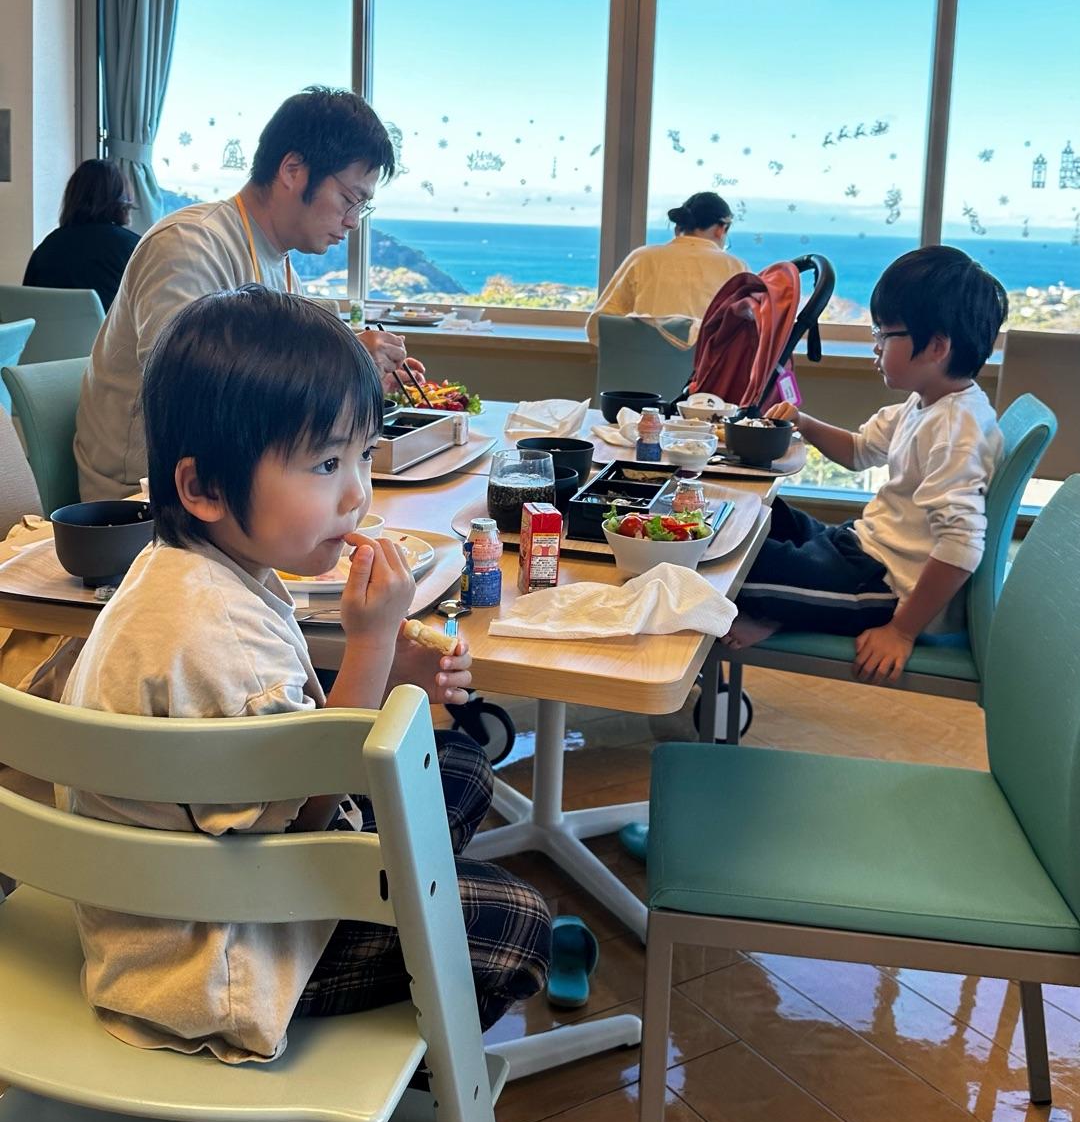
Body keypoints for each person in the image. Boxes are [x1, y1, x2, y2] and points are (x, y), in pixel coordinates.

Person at [59, 286, 551, 1061]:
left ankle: (409, 886)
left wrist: (391, 672)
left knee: (458, 766)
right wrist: (372, 648)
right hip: (217, 953)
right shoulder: (215, 635)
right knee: (519, 922)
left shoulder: (185, 570)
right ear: (203, 487)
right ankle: (401, 1077)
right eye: (325, 463)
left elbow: (283, 754)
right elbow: (308, 811)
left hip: (217, 879)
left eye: (362, 455)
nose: (357, 492)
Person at [75, 86, 419, 501]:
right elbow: (190, 398)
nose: (352, 221)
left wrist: (353, 387)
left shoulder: (282, 267)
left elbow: (281, 402)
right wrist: (342, 365)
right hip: (150, 498)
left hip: (236, 487)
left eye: (361, 207)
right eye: (349, 199)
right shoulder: (190, 245)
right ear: (292, 170)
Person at [727, 246, 1008, 683]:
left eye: (884, 333)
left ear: (936, 346)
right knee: (754, 514)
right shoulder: (928, 404)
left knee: (726, 570)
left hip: (883, 588)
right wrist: (804, 422)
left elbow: (961, 545)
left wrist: (901, 631)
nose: (875, 346)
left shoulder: (958, 430)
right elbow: (859, 451)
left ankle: (785, 609)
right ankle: (787, 607)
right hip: (859, 548)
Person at [586, 191, 746, 344]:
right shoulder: (735, 268)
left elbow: (597, 327)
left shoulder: (641, 258)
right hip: (706, 363)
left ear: (678, 228)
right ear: (721, 229)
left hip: (640, 362)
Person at [23, 159, 139, 313]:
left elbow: (27, 308)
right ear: (121, 201)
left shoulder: (46, 249)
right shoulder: (133, 248)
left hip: (50, 329)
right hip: (111, 330)